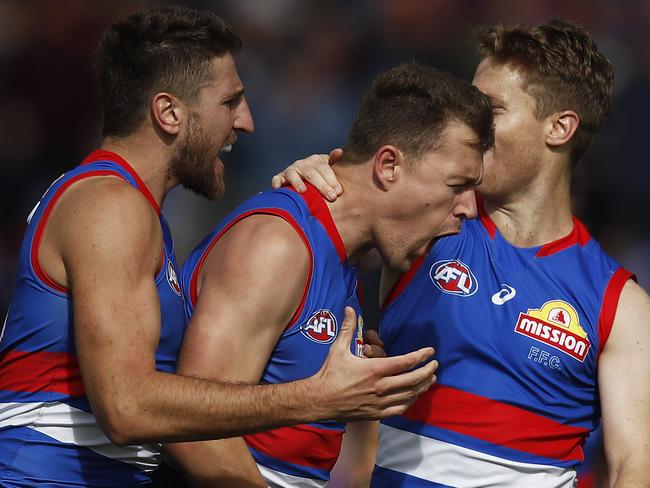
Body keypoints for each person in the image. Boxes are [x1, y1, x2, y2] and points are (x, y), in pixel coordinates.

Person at [0, 8, 440, 487]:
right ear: (169, 113)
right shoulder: (111, 207)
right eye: (230, 101)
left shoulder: (131, 209)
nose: (246, 122)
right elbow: (126, 408)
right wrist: (317, 396)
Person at [274, 19, 650, 487]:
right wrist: (317, 179)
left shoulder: (621, 304)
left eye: (489, 110)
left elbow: (632, 469)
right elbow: (320, 223)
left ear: (560, 127)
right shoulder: (422, 225)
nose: (469, 124)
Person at [164, 63, 494, 487]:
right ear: (389, 165)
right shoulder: (278, 244)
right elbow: (191, 434)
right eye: (457, 184)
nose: (468, 207)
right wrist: (320, 396)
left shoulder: (345, 258)